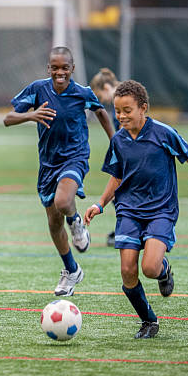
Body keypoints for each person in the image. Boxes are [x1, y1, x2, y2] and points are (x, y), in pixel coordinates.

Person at [84, 80, 188, 339]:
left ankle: (164, 271)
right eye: (117, 111)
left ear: (144, 108)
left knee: (149, 268)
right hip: (128, 211)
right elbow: (117, 177)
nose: (121, 116)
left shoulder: (163, 133)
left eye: (127, 110)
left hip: (161, 210)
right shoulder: (118, 140)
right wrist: (100, 204)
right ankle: (148, 321)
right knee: (128, 271)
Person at [3, 46, 115, 297]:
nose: (60, 72)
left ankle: (76, 224)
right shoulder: (37, 90)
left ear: (72, 69)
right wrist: (31, 115)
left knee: (64, 201)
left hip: (75, 158)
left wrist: (115, 142)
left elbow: (101, 112)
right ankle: (71, 270)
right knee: (54, 223)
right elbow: (8, 118)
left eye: (65, 68)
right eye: (55, 68)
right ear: (49, 69)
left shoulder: (82, 92)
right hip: (48, 165)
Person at [89, 67, 121, 247]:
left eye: (100, 97)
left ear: (107, 87)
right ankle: (123, 230)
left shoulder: (121, 100)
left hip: (130, 154)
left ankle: (126, 231)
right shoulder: (121, 99)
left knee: (119, 193)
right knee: (117, 193)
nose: (102, 101)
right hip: (124, 152)